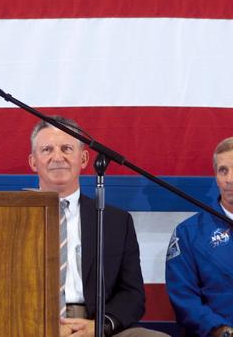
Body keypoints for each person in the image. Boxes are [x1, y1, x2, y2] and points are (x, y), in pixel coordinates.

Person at [28, 116, 167, 337]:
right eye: (46, 149)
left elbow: (132, 295)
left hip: (98, 324)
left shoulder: (116, 221)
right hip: (30, 323)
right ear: (33, 162)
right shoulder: (12, 216)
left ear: (83, 159)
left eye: (66, 148)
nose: (58, 157)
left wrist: (98, 327)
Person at [165, 137, 233, 337]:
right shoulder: (189, 233)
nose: (230, 178)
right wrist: (220, 330)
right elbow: (184, 298)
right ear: (215, 176)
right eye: (223, 170)